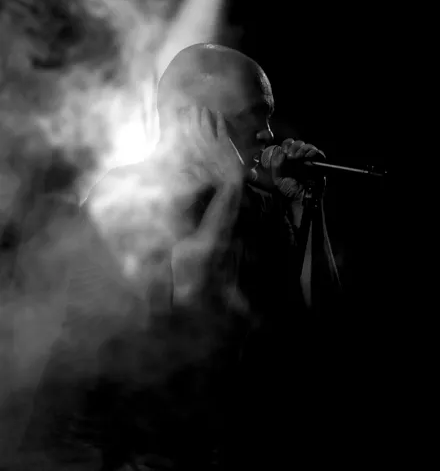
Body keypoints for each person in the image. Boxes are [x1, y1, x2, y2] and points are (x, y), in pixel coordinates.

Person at [18, 43, 340, 470]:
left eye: (268, 116)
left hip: (192, 448)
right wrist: (230, 187)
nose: (267, 134)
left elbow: (321, 322)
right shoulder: (125, 195)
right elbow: (189, 301)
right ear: (193, 118)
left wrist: (308, 206)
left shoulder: (258, 203)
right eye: (252, 116)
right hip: (100, 451)